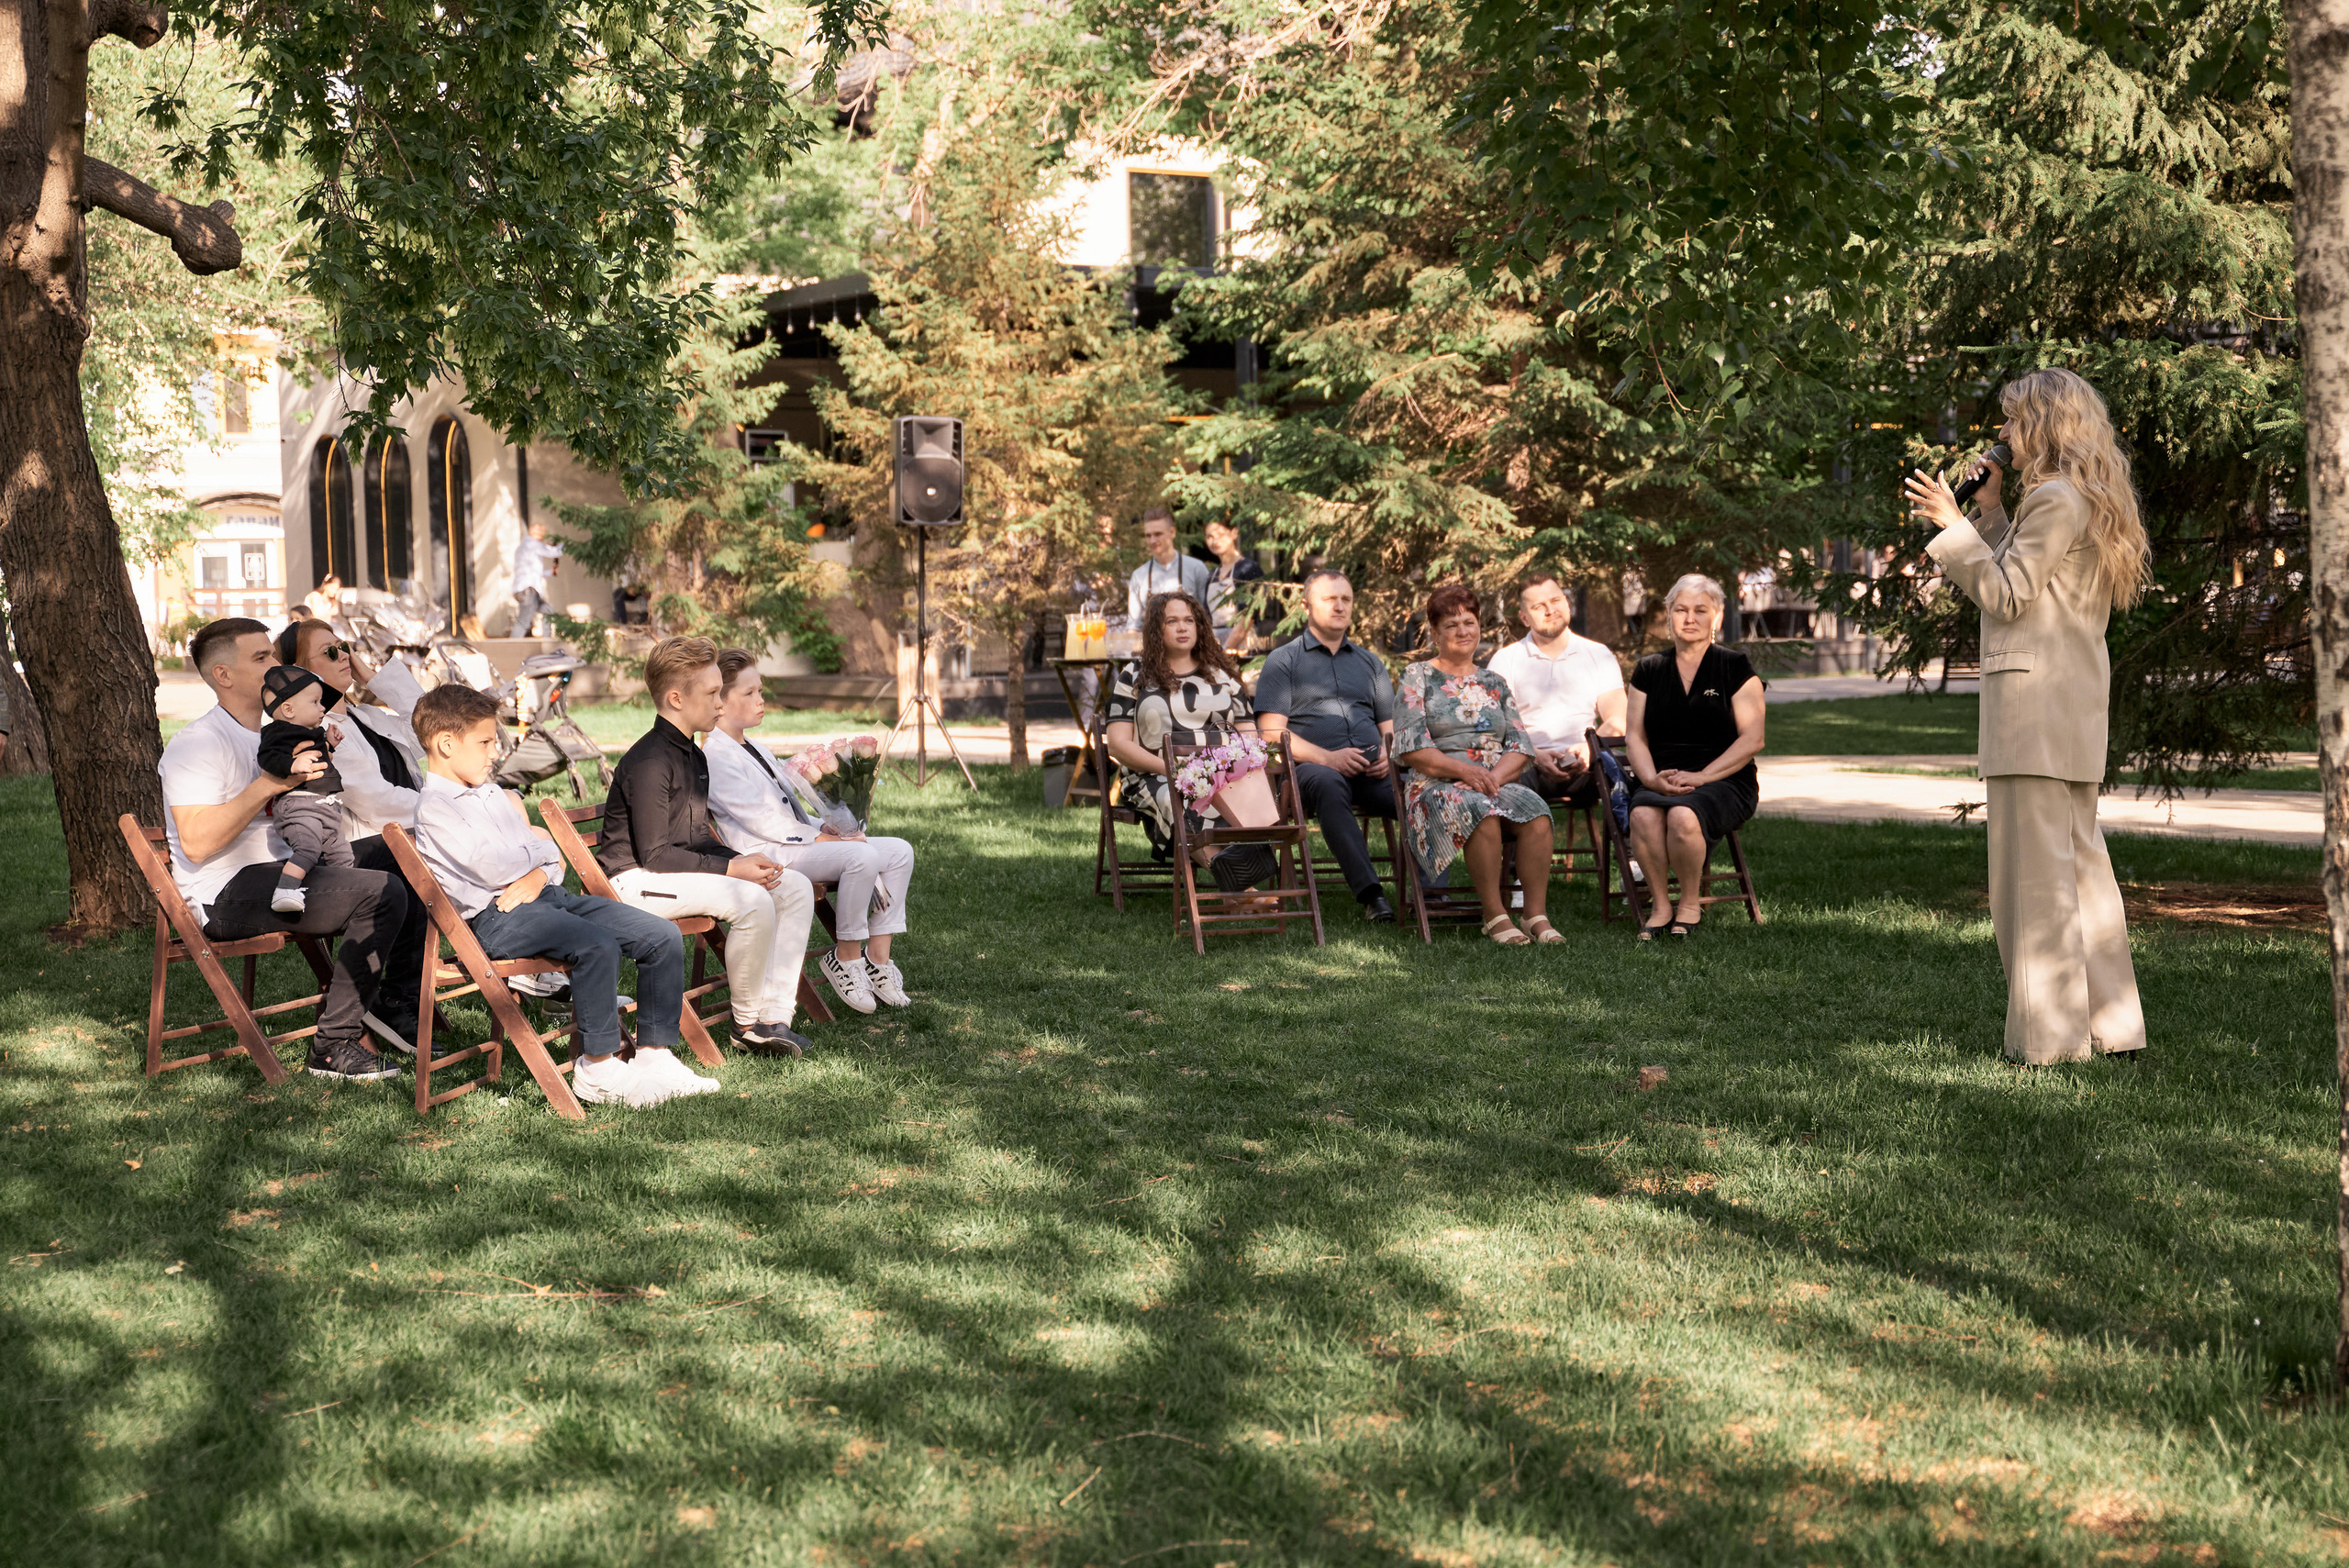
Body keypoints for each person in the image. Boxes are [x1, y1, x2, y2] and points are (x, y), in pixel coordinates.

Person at [1904, 365, 2151, 1065]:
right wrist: (1988, 514)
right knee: (2080, 869)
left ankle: (2049, 1041)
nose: (2003, 433)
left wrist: (1952, 529)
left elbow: (2008, 596)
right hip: (2069, 706)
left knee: (2033, 879)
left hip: (2031, 710)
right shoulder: (2076, 497)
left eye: (2012, 420)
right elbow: (2037, 583)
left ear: (2043, 423)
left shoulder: (2056, 496)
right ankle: (2115, 1026)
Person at [410, 684, 708, 1106]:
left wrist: (536, 870)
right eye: (485, 742)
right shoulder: (436, 808)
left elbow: (552, 856)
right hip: (496, 917)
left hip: (545, 898)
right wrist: (536, 860)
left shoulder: (492, 795)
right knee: (596, 943)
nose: (495, 751)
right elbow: (493, 867)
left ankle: (654, 1057)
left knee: (660, 935)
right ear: (445, 743)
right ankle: (598, 1068)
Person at [159, 617, 412, 1083]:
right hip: (228, 890)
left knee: (407, 853)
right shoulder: (197, 743)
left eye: (273, 655)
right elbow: (195, 843)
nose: (276, 665)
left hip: (291, 865)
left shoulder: (276, 731)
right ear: (224, 675)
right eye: (262, 658)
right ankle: (334, 1045)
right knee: (380, 891)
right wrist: (272, 783)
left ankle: (398, 999)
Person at [596, 636, 817, 1054]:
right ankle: (747, 1025)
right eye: (714, 693)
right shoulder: (650, 761)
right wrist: (734, 871)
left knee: (793, 887)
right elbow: (656, 855)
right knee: (751, 901)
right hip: (634, 882)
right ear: (677, 698)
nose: (721, 702)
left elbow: (696, 839)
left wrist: (741, 860)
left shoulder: (693, 755)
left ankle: (774, 1017)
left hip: (672, 872)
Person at [704, 649, 919, 1013]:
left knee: (899, 851)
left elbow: (790, 809)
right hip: (766, 852)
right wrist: (823, 838)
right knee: (859, 855)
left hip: (796, 842)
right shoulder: (716, 755)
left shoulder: (754, 746)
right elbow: (763, 821)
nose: (761, 700)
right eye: (749, 693)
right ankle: (845, 957)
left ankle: (877, 960)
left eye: (761, 691)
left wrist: (829, 825)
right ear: (720, 703)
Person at [274, 617, 439, 1038]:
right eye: (329, 651)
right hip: (360, 848)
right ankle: (399, 995)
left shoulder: (367, 715)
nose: (343, 654)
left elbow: (435, 727)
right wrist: (450, 811)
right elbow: (373, 799)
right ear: (301, 672)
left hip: (412, 830)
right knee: (428, 857)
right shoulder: (320, 733)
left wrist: (372, 675)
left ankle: (521, 958)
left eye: (344, 645)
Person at [1394, 585, 1560, 944]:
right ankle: (1495, 915)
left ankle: (1534, 915)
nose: (1463, 631)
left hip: (1491, 781)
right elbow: (1411, 748)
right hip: (1434, 785)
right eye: (1452, 625)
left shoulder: (1493, 682)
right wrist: (1466, 773)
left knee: (1538, 811)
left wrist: (1490, 777)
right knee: (1481, 810)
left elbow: (1519, 744)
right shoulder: (1416, 677)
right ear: (1435, 632)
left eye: (1469, 622)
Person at [1102, 592, 1284, 895]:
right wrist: (1173, 769)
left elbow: (1248, 734)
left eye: (1189, 620)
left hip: (1224, 774)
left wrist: (1232, 769)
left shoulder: (1222, 675)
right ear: (1157, 629)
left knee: (1254, 799)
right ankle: (1243, 890)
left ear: (1200, 626)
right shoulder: (1135, 674)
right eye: (1172, 621)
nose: (1182, 627)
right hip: (1155, 774)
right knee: (1178, 799)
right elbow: (1118, 746)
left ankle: (1239, 880)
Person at [1623, 574, 1765, 940]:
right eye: (1681, 610)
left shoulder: (1734, 667)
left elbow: (1752, 739)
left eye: (1700, 610)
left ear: (1716, 617)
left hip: (1725, 779)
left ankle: (1689, 902)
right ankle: (1660, 905)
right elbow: (1635, 736)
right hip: (1663, 776)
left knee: (1684, 816)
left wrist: (1702, 777)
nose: (1690, 618)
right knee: (1641, 813)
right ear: (1668, 615)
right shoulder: (1649, 669)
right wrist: (1650, 778)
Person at [1253, 570, 1398, 922]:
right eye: (1329, 599)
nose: (1339, 606)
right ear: (1306, 606)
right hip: (1310, 771)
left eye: (1345, 599)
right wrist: (1328, 759)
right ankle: (1373, 896)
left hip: (1371, 769)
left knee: (1415, 791)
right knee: (1329, 783)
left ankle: (1431, 894)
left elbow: (1392, 728)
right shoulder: (1284, 660)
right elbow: (1270, 734)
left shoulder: (1370, 664)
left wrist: (1386, 751)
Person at [1486, 572, 1626, 807]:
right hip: (1527, 765)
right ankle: (1524, 841)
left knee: (1626, 775)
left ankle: (1633, 843)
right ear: (1524, 618)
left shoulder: (1598, 654)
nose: (1551, 610)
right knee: (1506, 788)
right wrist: (1532, 754)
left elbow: (1618, 719)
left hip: (1587, 764)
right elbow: (1494, 726)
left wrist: (1590, 748)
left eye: (1556, 601)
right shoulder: (1506, 660)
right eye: (1539, 606)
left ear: (1566, 602)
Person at [255, 666, 354, 914]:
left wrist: (330, 745)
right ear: (288, 709)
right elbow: (268, 758)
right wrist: (292, 765)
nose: (323, 708)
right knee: (307, 849)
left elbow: (322, 762)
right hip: (299, 806)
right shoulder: (278, 732)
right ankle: (285, 890)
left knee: (342, 854)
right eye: (315, 702)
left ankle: (342, 895)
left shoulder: (313, 732)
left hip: (325, 807)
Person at [1125, 506, 1212, 621]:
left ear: (1172, 532)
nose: (1152, 541)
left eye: (1158, 534)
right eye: (1148, 535)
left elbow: (1208, 616)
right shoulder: (1139, 576)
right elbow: (1133, 626)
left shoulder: (1196, 568)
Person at [1202, 517, 1265, 651]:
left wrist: (1226, 650)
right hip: (1215, 644)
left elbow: (1247, 618)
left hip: (1242, 645)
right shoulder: (1212, 575)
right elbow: (1206, 618)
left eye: (1220, 535)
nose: (1215, 541)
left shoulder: (1248, 569)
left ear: (1234, 533)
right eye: (1210, 536)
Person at [512, 518, 563, 638]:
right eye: (543, 534)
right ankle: (511, 647)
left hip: (522, 590)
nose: (543, 537)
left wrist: (550, 572)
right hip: (528, 590)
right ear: (538, 533)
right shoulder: (532, 544)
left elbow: (534, 572)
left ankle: (546, 640)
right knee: (523, 621)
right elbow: (554, 552)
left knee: (548, 611)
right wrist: (568, 545)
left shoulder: (523, 547)